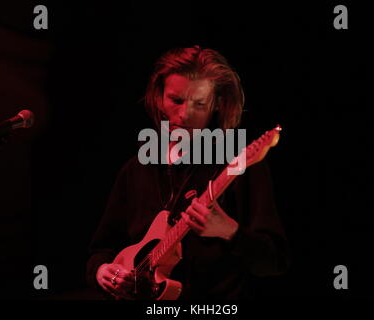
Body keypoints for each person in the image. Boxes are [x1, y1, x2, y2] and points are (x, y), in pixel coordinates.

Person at [86, 45, 289, 299]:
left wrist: (230, 231)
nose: (184, 114)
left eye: (199, 103)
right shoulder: (136, 168)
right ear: (159, 98)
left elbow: (274, 262)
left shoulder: (238, 164)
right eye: (176, 100)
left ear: (217, 105)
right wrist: (102, 271)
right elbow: (102, 248)